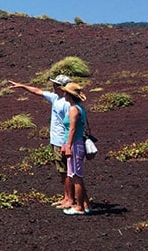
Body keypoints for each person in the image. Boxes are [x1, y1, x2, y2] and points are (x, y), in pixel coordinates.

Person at [8, 75, 74, 208]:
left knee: (66, 171)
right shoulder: (56, 98)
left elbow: (71, 126)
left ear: (62, 87)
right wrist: (22, 86)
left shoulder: (67, 104)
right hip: (56, 141)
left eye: (55, 85)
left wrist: (66, 144)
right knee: (62, 171)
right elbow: (37, 91)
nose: (53, 87)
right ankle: (66, 197)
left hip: (62, 141)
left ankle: (70, 200)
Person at [60, 82, 90, 215]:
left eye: (65, 92)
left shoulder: (73, 109)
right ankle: (85, 205)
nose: (64, 94)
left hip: (75, 144)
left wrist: (68, 146)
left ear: (69, 94)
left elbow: (72, 129)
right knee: (77, 176)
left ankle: (79, 207)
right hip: (78, 143)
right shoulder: (79, 108)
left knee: (76, 176)